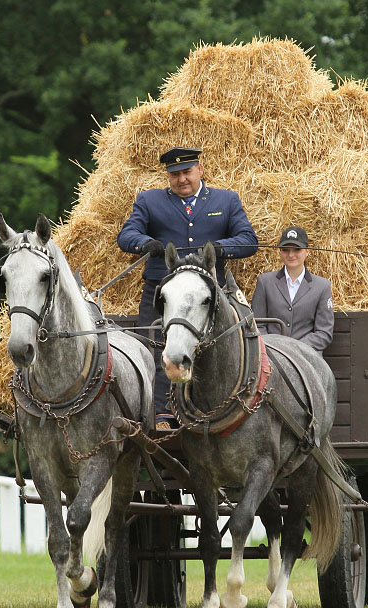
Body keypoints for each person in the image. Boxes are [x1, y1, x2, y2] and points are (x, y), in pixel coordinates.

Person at [117, 146, 259, 426]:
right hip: (163, 291)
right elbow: (126, 235)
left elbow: (248, 240)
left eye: (187, 172)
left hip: (208, 295)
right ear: (168, 177)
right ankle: (163, 414)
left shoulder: (226, 200)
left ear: (200, 170)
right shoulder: (149, 201)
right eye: (174, 174)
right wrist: (145, 243)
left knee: (219, 349)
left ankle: (216, 409)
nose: (181, 179)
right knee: (157, 348)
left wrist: (218, 248)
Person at [251, 226, 334, 353]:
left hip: (307, 356)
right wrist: (273, 348)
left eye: (297, 249)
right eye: (285, 250)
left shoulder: (322, 286)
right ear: (280, 252)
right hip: (271, 355)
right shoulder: (265, 282)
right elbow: (258, 324)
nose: (291, 254)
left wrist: (295, 348)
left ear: (307, 251)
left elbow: (324, 332)